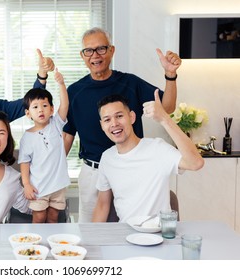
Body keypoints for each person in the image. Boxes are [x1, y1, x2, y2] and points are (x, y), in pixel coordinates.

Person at [62, 27, 182, 222]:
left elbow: (166, 107)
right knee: (91, 231)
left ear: (112, 50)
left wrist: (170, 75)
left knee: (133, 225)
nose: (95, 55)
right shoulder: (75, 91)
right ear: (82, 55)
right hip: (93, 171)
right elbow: (67, 135)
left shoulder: (130, 83)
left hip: (130, 169)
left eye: (101, 49)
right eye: (89, 51)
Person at [92, 92, 204, 222]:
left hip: (160, 235)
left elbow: (196, 163)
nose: (114, 123)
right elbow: (102, 205)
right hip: (126, 235)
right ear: (102, 126)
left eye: (119, 116)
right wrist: (92, 238)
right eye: (107, 120)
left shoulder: (157, 148)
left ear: (132, 117)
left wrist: (164, 119)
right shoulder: (107, 158)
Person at [18, 69, 70, 223]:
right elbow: (24, 163)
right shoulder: (27, 137)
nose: (40, 109)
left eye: (45, 105)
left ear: (52, 109)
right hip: (39, 187)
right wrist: (26, 184)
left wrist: (61, 84)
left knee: (54, 217)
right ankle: (36, 246)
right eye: (35, 107)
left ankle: (51, 245)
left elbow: (65, 104)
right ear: (28, 114)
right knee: (39, 217)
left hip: (58, 185)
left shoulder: (56, 124)